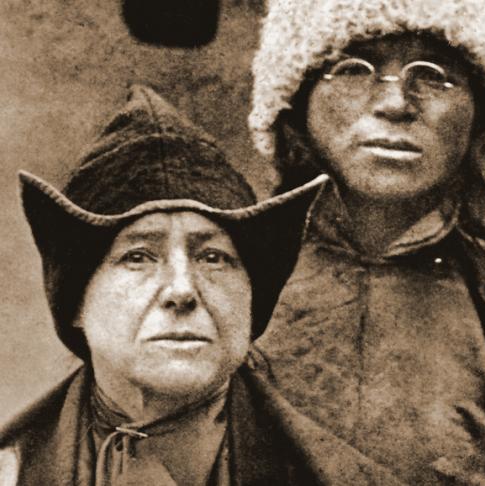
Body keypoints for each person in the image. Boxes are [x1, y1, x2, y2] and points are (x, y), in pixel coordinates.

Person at [249, 0, 485, 484]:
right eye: (354, 69)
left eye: (435, 75)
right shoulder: (232, 284)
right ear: (294, 104)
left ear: (479, 117)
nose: (395, 104)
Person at [0, 85, 407, 485]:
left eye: (213, 257)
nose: (182, 291)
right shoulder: (12, 470)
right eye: (138, 256)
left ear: (253, 301)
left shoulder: (338, 478)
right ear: (75, 302)